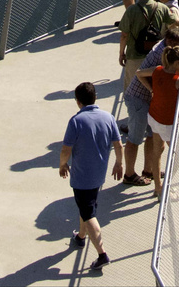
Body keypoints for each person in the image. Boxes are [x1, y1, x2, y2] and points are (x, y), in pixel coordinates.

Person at [60, 81, 124, 272]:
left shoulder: (76, 121)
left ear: (77, 101)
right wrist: (119, 163)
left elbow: (65, 149)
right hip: (98, 176)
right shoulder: (108, 117)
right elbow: (119, 145)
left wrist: (63, 164)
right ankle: (80, 237)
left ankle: (102, 254)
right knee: (85, 206)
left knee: (89, 214)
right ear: (96, 97)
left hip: (82, 178)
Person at [119, 25, 179, 187]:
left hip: (149, 101)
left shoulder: (167, 53)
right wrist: (153, 90)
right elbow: (143, 73)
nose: (174, 46)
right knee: (134, 138)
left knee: (151, 135)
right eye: (172, 42)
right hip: (138, 99)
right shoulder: (159, 55)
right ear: (167, 40)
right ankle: (129, 174)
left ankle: (148, 169)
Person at [136, 45, 179, 200]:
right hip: (167, 123)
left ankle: (158, 188)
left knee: (157, 152)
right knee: (178, 156)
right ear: (177, 63)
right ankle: (166, 186)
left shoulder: (157, 70)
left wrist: (151, 89)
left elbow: (139, 74)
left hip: (154, 117)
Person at [118, 0, 179, 94]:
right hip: (154, 57)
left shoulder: (131, 10)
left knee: (131, 91)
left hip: (134, 56)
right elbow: (177, 22)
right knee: (154, 89)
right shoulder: (162, 8)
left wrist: (122, 54)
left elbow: (124, 36)